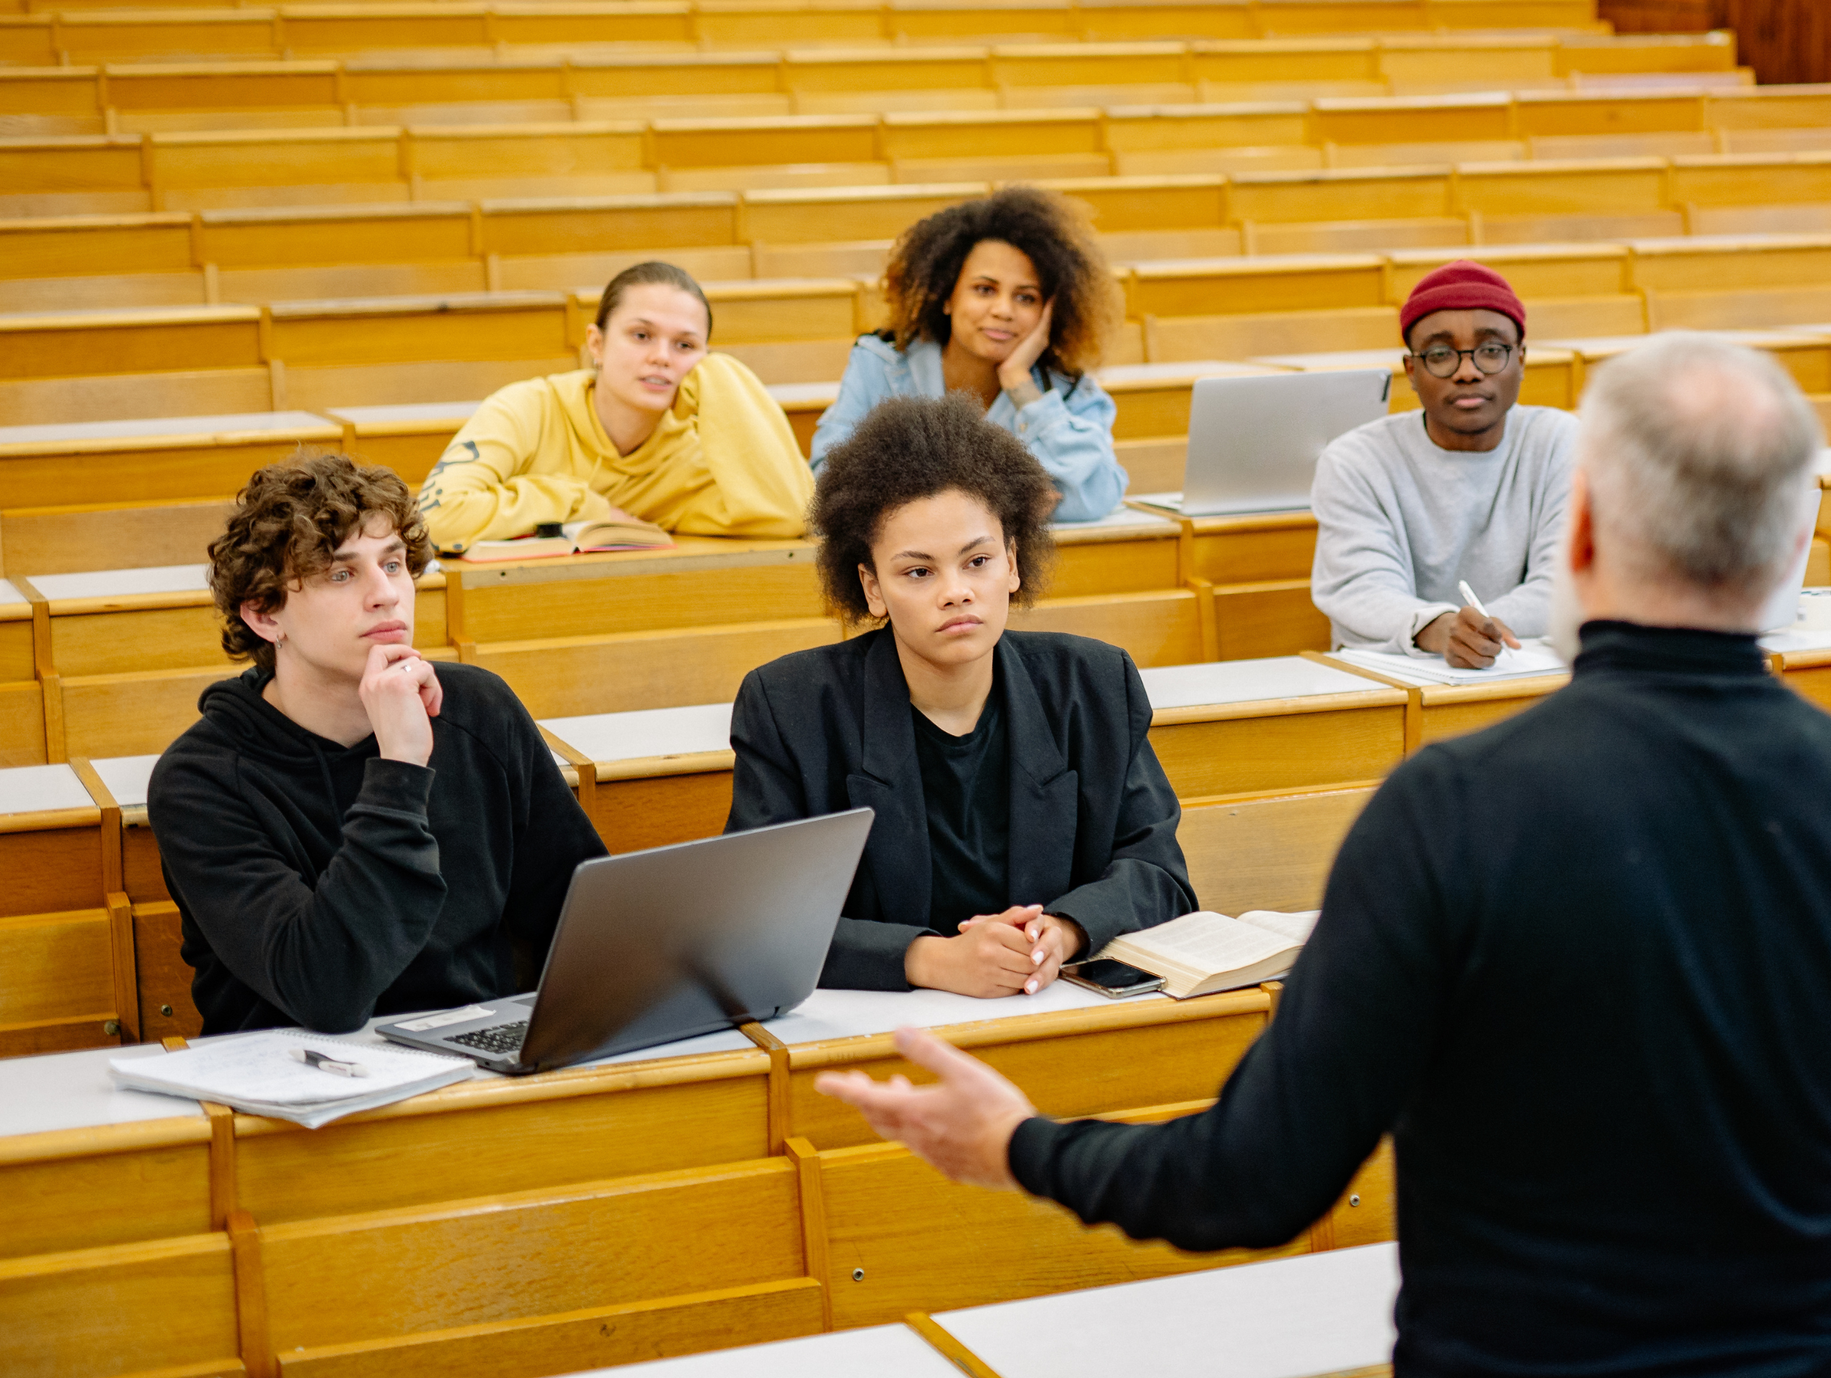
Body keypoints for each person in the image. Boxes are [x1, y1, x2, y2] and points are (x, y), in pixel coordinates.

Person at [818, 333, 1831, 1375]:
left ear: (1576, 539)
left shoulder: (1454, 806)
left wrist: (1019, 1145)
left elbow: (1255, 1179)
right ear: (1791, 554)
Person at [727, 393, 1193, 996]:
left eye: (978, 560)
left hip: (1051, 1008)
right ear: (871, 586)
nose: (957, 592)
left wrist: (1062, 932)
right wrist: (928, 960)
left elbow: (1160, 873)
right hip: (880, 1036)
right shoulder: (789, 706)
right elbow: (757, 919)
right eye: (919, 572)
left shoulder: (1094, 684)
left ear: (1013, 563)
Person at [147, 455, 606, 1037]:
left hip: (476, 1062)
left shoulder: (476, 710)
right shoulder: (200, 781)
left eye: (393, 564)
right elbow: (328, 990)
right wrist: (399, 769)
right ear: (265, 616)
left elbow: (582, 916)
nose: (386, 594)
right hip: (297, 1085)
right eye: (342, 574)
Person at [419, 260, 813, 555]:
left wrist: (719, 375)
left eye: (686, 345)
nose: (661, 357)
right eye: (641, 335)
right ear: (597, 344)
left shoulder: (695, 457)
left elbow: (791, 517)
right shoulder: (526, 409)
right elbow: (434, 520)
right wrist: (583, 505)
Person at [1310, 261, 1576, 668]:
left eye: (1491, 350)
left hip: (1528, 670)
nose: (1467, 372)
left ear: (1521, 360)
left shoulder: (1564, 442)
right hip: (1393, 676)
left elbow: (1567, 581)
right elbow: (1358, 589)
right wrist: (1441, 628)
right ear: (1412, 371)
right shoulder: (1355, 460)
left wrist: (1481, 632)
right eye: (1440, 354)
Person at [810, 186, 1127, 524]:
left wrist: (1021, 384)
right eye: (984, 290)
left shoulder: (1068, 390)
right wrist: (1004, 499)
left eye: (1026, 298)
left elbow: (1098, 495)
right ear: (947, 296)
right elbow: (828, 476)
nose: (1003, 310)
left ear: (1050, 313)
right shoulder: (881, 364)